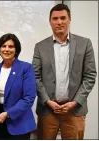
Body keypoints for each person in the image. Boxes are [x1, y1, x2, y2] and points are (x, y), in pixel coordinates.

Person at [32, 4, 97, 139]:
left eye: (63, 18)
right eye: (55, 19)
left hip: (74, 110)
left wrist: (75, 102)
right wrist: (48, 101)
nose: (59, 22)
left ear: (69, 19)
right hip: (48, 110)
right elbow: (35, 77)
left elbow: (90, 76)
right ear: (50, 21)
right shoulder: (40, 47)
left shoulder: (85, 44)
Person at [0, 33, 36, 140]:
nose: (7, 49)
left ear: (16, 50)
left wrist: (7, 114)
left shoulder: (26, 68)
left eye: (11, 46)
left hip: (19, 123)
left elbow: (29, 98)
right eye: (3, 46)